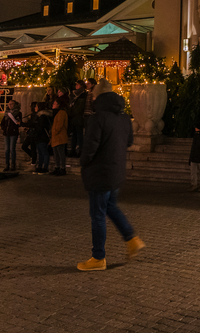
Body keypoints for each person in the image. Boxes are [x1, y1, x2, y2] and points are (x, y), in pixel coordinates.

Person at [77, 85, 143, 270]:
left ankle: (98, 257)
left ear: (97, 97)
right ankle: (131, 238)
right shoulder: (123, 118)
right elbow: (128, 141)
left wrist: (83, 161)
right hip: (115, 171)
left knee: (98, 214)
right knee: (111, 206)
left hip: (100, 173)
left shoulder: (97, 118)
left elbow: (90, 147)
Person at [49, 95, 69, 176]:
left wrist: (55, 131)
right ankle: (57, 167)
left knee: (60, 154)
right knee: (56, 154)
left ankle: (62, 168)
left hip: (60, 137)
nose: (53, 105)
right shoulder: (57, 113)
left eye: (54, 103)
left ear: (59, 105)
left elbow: (59, 125)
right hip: (56, 137)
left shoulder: (62, 113)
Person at [0, 100, 22, 172]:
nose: (10, 105)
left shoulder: (18, 113)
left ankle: (13, 164)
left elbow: (18, 122)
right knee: (6, 150)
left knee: (12, 149)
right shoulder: (7, 113)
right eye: (9, 104)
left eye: (12, 104)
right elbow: (2, 122)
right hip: (6, 133)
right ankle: (7, 165)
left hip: (13, 133)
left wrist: (15, 126)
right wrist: (4, 128)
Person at [69, 81, 88, 158]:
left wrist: (72, 112)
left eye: (77, 84)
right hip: (74, 118)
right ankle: (73, 150)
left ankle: (80, 150)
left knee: (79, 134)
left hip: (79, 117)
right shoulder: (75, 94)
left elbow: (79, 107)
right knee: (74, 135)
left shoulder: (83, 95)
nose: (76, 86)